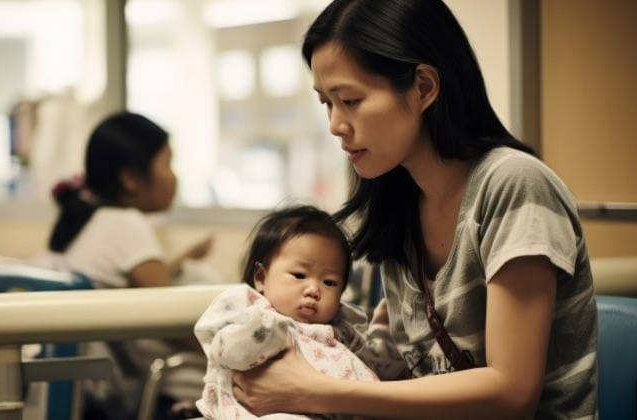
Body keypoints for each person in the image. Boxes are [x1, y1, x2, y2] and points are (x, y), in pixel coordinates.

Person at [231, 1, 598, 419]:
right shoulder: (399, 204)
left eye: (350, 100)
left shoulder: (515, 185)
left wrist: (314, 391)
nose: (335, 124)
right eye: (326, 103)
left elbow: (512, 393)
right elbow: (399, 368)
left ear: (423, 87)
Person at [32, 111, 213, 419]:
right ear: (130, 178)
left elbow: (138, 284)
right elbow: (174, 321)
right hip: (113, 398)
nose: (175, 177)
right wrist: (233, 354)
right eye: (167, 164)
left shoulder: (88, 219)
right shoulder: (125, 224)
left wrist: (182, 260)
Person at [195, 205, 383, 420]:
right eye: (299, 275)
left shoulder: (341, 329)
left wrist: (383, 338)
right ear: (261, 277)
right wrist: (258, 332)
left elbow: (371, 365)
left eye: (329, 282)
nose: (314, 290)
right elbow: (224, 351)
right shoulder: (250, 310)